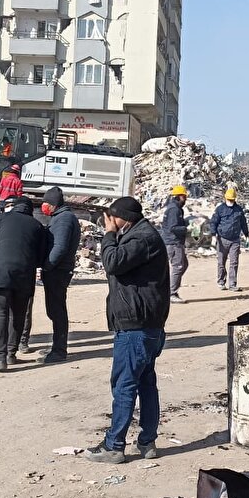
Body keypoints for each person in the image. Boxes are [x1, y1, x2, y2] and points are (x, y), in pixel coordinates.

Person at [86, 196, 169, 464]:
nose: (109, 221)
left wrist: (109, 235)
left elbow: (112, 262)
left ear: (125, 218)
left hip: (137, 326)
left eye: (113, 217)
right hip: (144, 324)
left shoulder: (141, 238)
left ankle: (114, 445)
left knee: (124, 384)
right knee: (145, 383)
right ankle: (147, 441)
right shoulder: (139, 235)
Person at [0, 196, 47, 373]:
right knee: (18, 315)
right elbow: (41, 257)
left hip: (0, 274)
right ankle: (10, 354)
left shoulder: (0, 219)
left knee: (0, 314)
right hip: (25, 276)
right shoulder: (38, 226)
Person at [36, 186, 79, 363]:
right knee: (54, 310)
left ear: (53, 204)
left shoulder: (64, 219)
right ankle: (57, 346)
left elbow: (59, 247)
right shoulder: (60, 217)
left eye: (46, 203)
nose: (43, 206)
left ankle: (59, 351)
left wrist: (46, 266)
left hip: (58, 271)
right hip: (57, 270)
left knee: (57, 310)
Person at [209, 187, 249, 292]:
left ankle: (232, 284)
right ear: (225, 198)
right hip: (222, 239)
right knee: (221, 262)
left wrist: (246, 234)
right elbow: (213, 222)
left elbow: (243, 223)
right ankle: (221, 282)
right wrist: (213, 235)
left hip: (235, 240)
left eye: (232, 199)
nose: (230, 201)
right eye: (229, 199)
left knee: (234, 262)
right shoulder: (220, 209)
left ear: (234, 199)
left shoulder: (239, 210)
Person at [159, 185, 190, 302]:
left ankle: (169, 288)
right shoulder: (174, 209)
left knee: (184, 265)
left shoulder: (176, 208)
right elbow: (173, 227)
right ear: (178, 196)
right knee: (178, 266)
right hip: (173, 242)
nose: (185, 199)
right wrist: (187, 229)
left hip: (175, 241)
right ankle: (172, 293)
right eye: (184, 197)